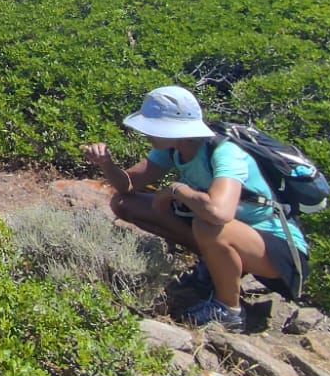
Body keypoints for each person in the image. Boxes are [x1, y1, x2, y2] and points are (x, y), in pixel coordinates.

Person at [82, 85, 309, 333]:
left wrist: (177, 190)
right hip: (235, 234)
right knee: (126, 204)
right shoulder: (172, 149)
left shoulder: (225, 152)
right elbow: (127, 186)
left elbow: (220, 213)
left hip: (278, 249)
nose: (146, 133)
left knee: (208, 225)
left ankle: (228, 311)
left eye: (152, 126)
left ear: (174, 129)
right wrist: (106, 164)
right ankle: (212, 266)